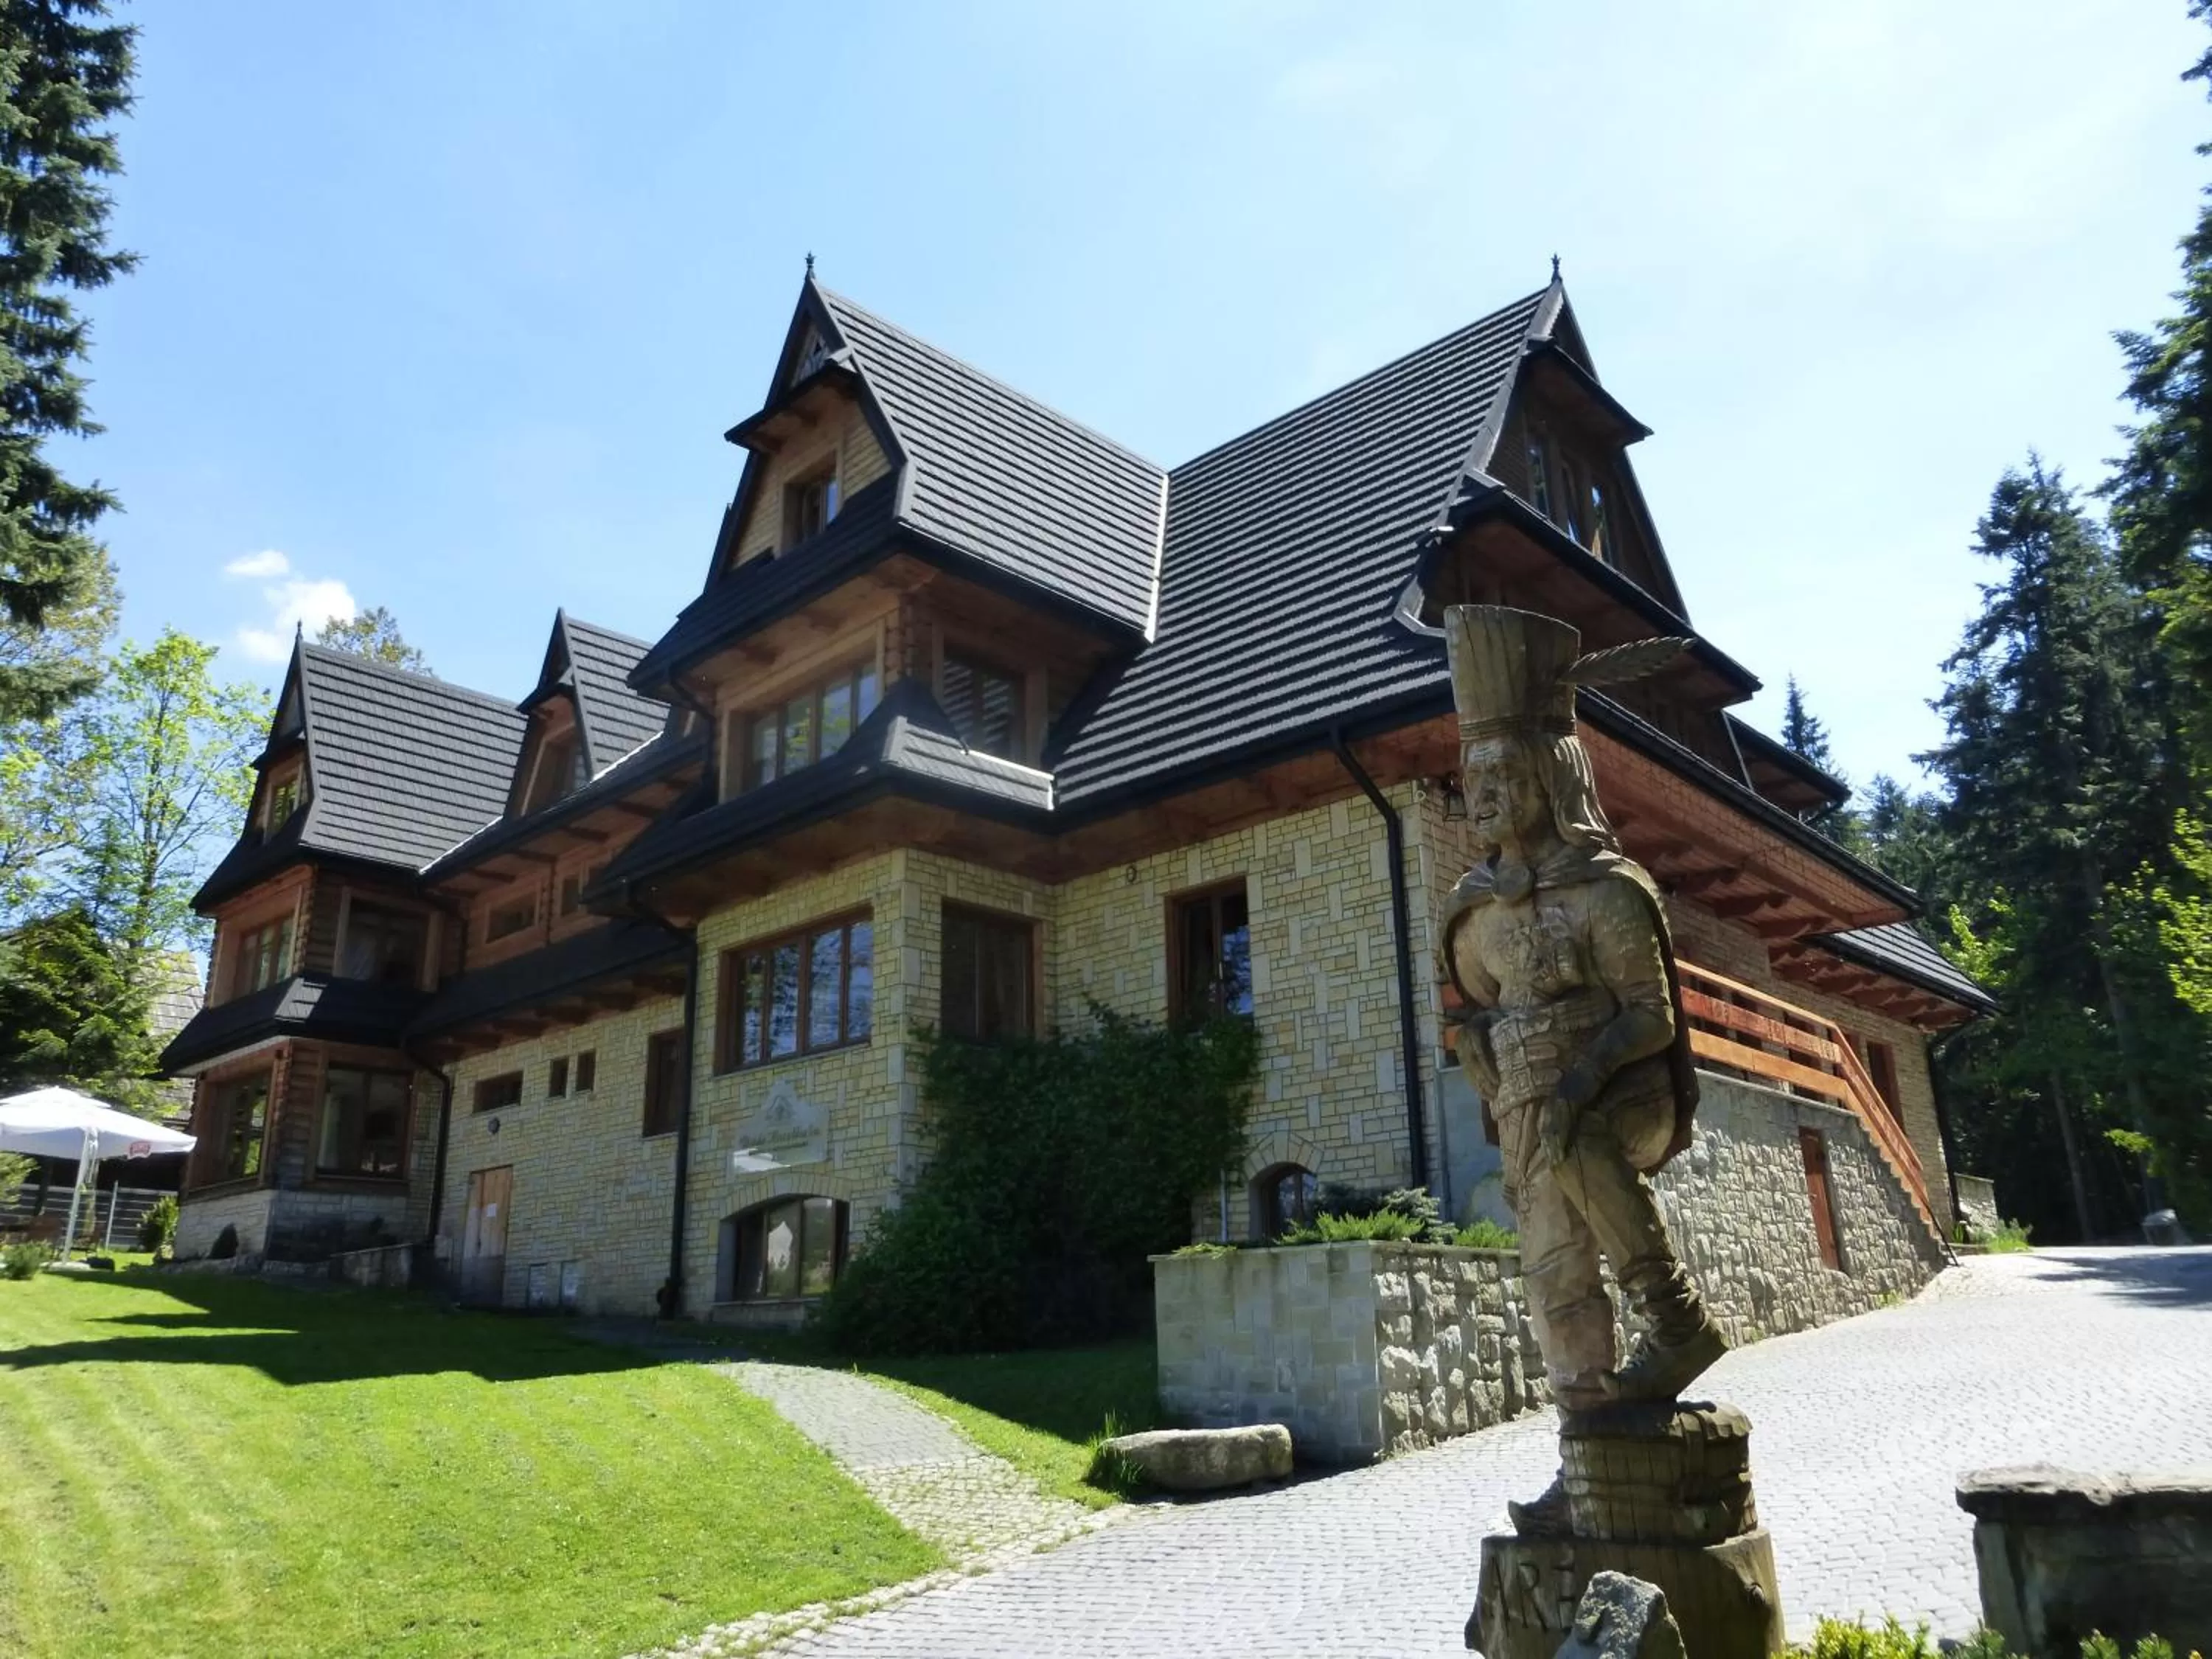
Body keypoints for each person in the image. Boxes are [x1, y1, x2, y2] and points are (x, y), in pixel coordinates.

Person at [1436, 605, 1726, 1534]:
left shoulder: (1606, 893)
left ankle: (1673, 1315)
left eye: (1500, 772)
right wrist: (1479, 1052)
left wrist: (1572, 1083)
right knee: (1555, 1278)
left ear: (1547, 776)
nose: (1479, 791)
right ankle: (1591, 1465)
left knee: (1578, 1139)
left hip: (1620, 1093)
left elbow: (1651, 1015)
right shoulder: (1472, 911)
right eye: (1471, 774)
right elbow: (1475, 1014)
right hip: (1530, 1109)